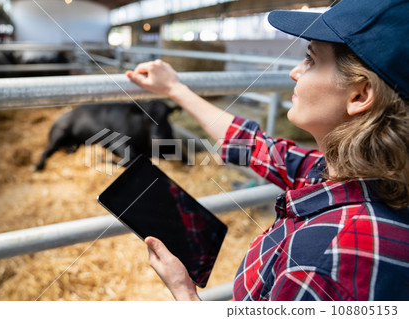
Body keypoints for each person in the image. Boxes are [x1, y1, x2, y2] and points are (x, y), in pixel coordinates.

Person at [126, 0, 409, 301]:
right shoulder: (349, 175)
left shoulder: (318, 263)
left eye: (311, 59)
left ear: (360, 94)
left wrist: (185, 294)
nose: (295, 72)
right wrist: (174, 89)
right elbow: (255, 146)